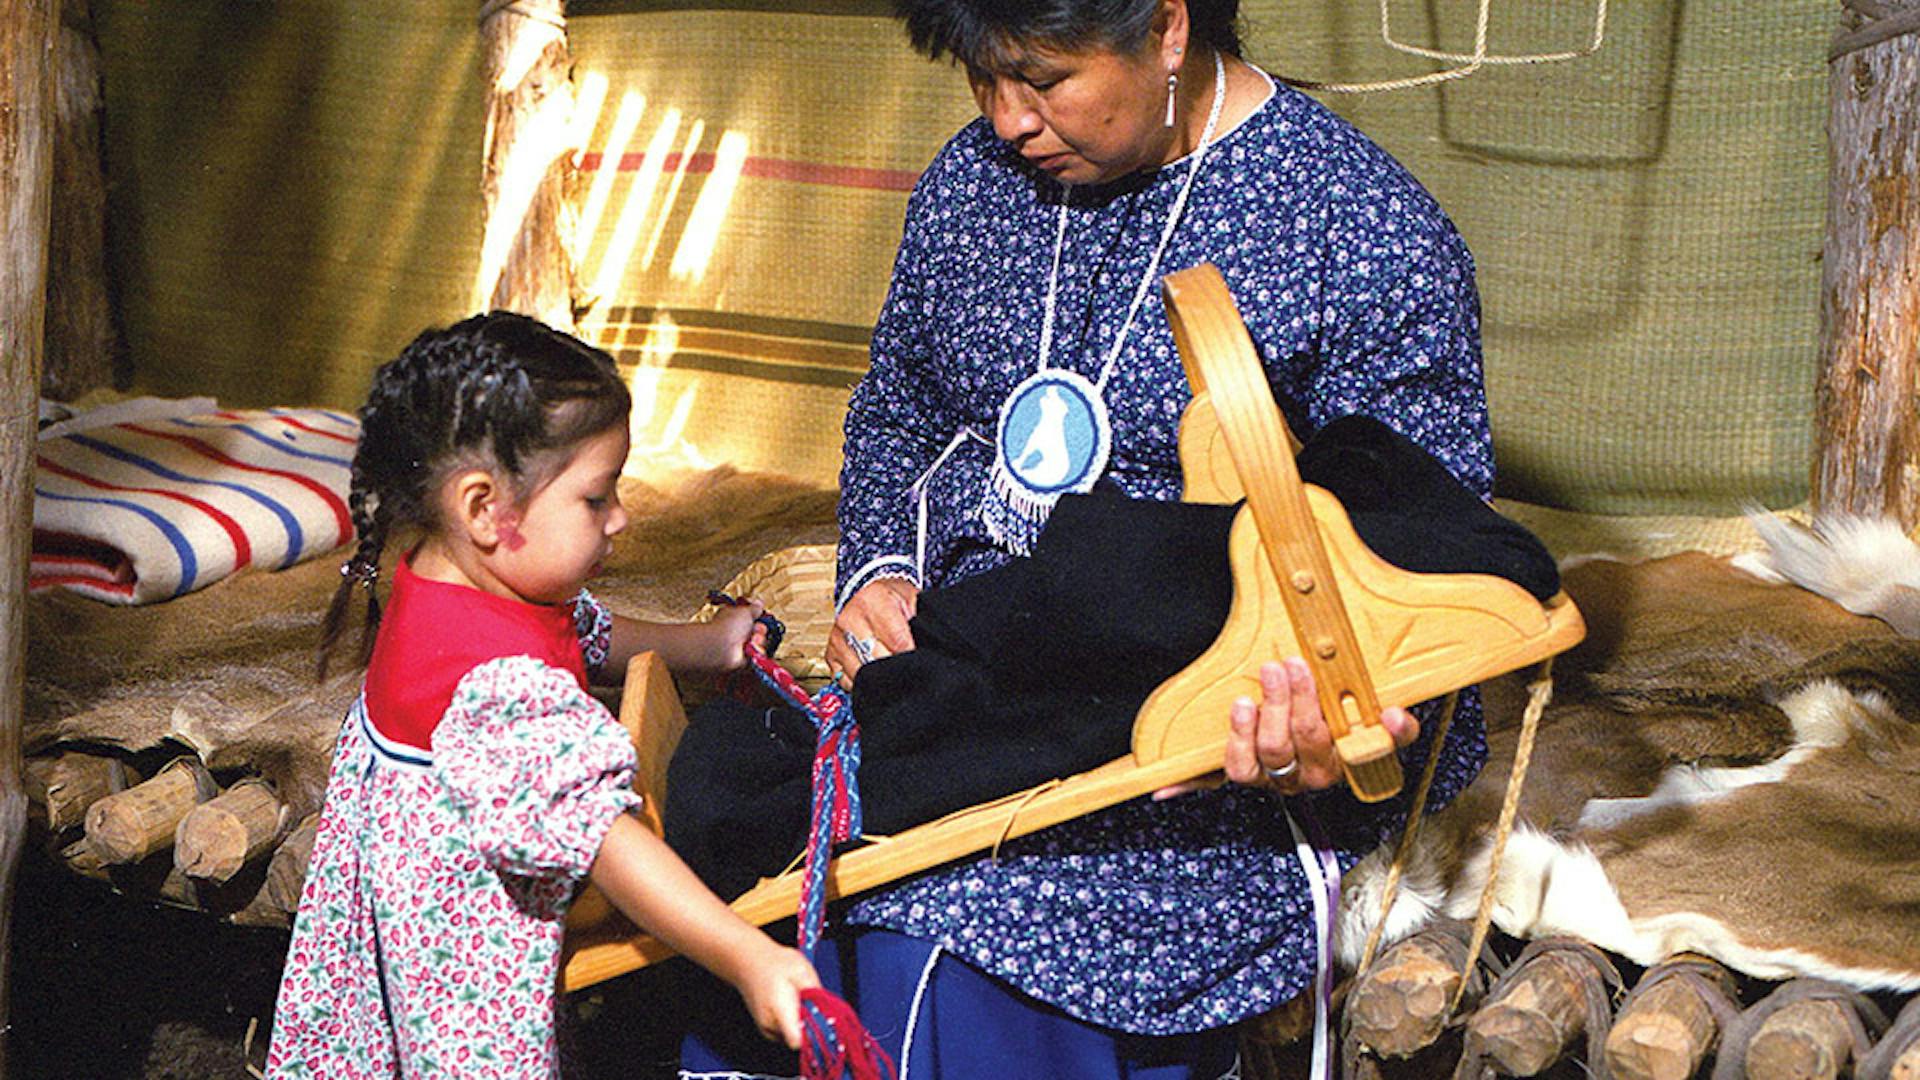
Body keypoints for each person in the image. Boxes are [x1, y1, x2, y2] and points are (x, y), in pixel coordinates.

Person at [687, 0, 1498, 1077]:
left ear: (1167, 26)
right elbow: (898, 412)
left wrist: (1316, 713)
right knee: (744, 860)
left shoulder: (1358, 226)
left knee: (947, 919)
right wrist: (881, 569)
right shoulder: (970, 187)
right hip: (962, 679)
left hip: (1190, 740)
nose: (1009, 119)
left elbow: (1423, 554)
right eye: (982, 79)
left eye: (1042, 78)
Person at [265, 312, 818, 1079]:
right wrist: (749, 955)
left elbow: (578, 633)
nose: (621, 516)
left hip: (414, 924)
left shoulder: (445, 574)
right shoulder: (499, 687)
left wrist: (709, 645)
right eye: (597, 498)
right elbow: (610, 844)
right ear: (486, 509)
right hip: (464, 990)